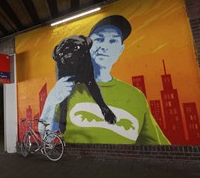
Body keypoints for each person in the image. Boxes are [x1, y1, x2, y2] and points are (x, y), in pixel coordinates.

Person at [39, 15, 170, 145]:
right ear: (88, 46)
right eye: (100, 39)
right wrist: (51, 100)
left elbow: (159, 147)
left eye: (113, 41)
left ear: (120, 49)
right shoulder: (65, 89)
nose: (105, 47)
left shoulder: (136, 96)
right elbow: (47, 138)